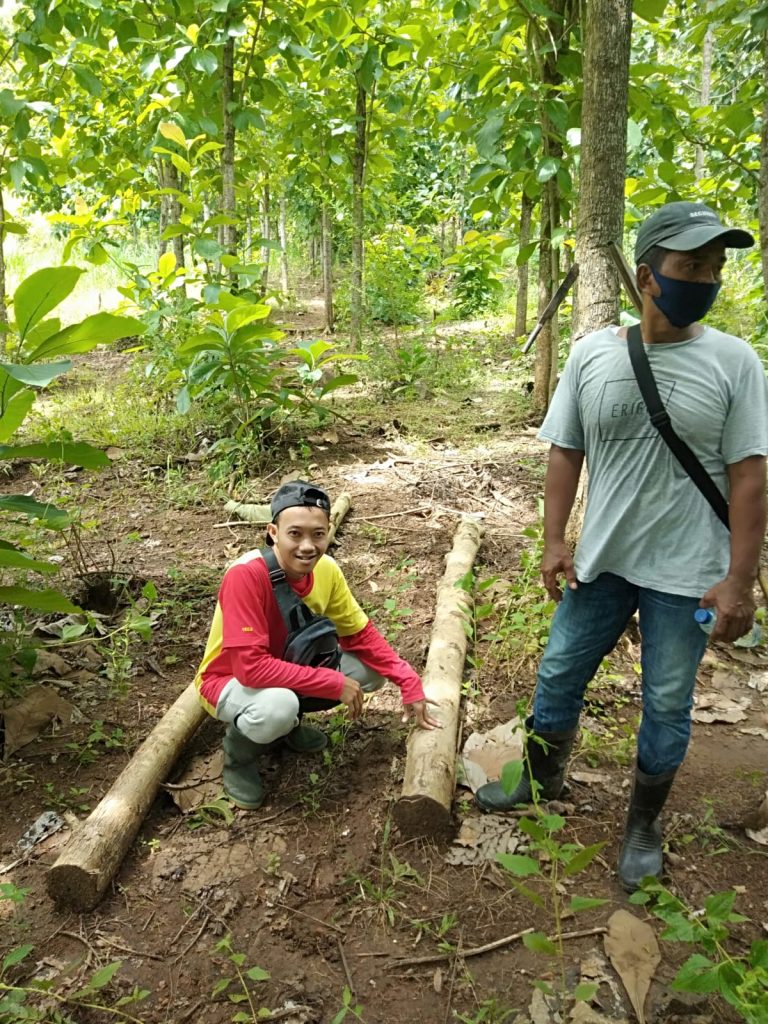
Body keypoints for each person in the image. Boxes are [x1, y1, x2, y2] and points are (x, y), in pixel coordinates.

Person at [476, 201, 768, 890]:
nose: (706, 278)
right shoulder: (593, 354)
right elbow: (564, 451)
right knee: (557, 676)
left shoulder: (734, 362)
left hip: (688, 574)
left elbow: (751, 477)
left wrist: (740, 580)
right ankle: (544, 780)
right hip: (602, 559)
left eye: (715, 267)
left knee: (666, 702)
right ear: (647, 275)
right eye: (690, 265)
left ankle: (643, 824)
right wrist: (553, 540)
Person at [194, 480, 440, 809]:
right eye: (295, 534)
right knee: (276, 707)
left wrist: (406, 679)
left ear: (328, 533)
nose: (308, 546)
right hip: (228, 680)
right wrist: (331, 681)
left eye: (318, 534)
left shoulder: (327, 570)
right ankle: (239, 757)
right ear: (273, 532)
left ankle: (288, 726)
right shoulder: (245, 575)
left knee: (370, 672)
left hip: (288, 664)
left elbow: (359, 633)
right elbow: (249, 668)